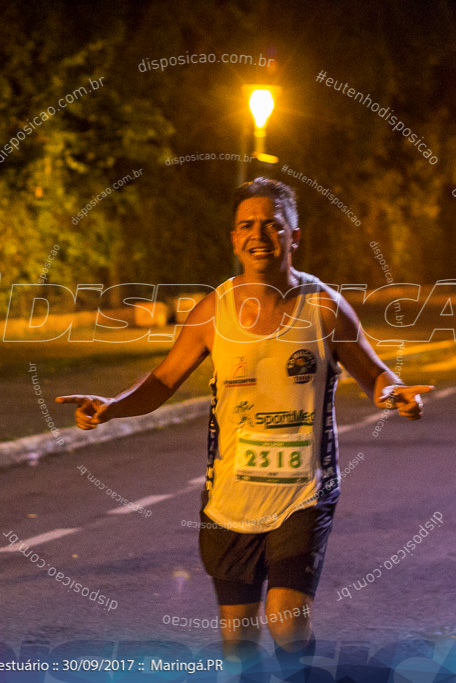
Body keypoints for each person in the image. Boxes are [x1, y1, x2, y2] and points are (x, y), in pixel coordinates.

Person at [57, 178, 431, 676]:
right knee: (238, 640)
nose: (260, 235)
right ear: (234, 238)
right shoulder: (213, 311)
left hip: (303, 493)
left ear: (295, 236)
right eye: (247, 226)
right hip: (229, 497)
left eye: (273, 225)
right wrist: (111, 406)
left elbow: (373, 373)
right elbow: (164, 380)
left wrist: (393, 393)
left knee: (285, 621)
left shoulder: (323, 306)